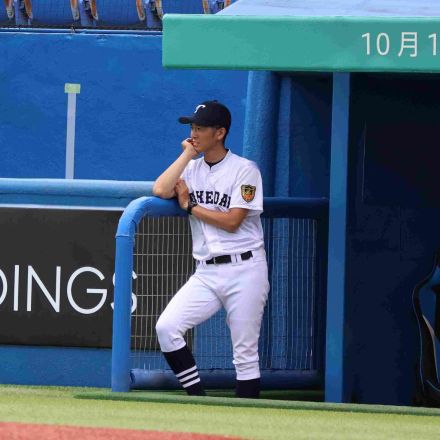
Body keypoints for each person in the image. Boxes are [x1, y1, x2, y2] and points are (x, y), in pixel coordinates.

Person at [152, 100, 269, 398]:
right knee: (167, 328)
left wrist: (191, 207)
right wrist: (187, 154)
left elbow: (232, 221)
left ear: (220, 133)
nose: (194, 133)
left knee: (244, 355)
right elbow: (161, 190)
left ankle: (248, 422)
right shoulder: (191, 168)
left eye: (200, 128)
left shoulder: (245, 170)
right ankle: (197, 400)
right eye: (192, 127)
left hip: (245, 268)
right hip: (206, 272)